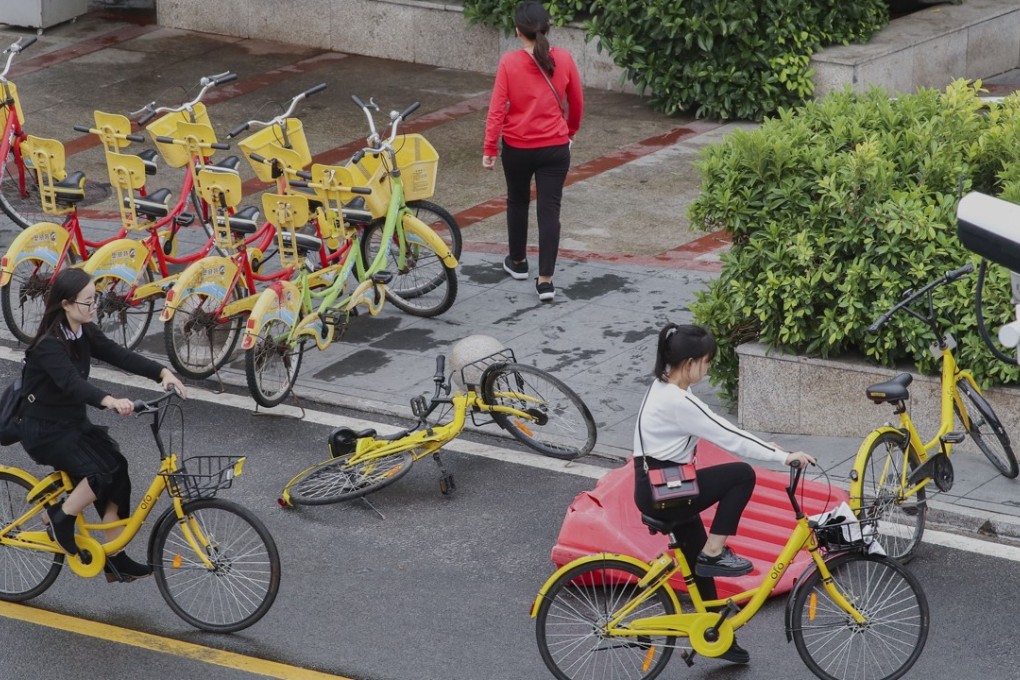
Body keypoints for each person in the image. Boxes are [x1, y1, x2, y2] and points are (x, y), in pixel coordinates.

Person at [633, 323, 815, 664]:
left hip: (661, 485)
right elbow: (727, 433)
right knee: (741, 475)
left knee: (701, 569)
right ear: (690, 363)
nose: (709, 368)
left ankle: (718, 635)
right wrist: (782, 455)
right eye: (707, 362)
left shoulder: (662, 386)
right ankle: (715, 551)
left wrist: (767, 446)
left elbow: (722, 431)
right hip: (667, 490)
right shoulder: (677, 400)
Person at [20, 268, 187, 583]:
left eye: (95, 299)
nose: (94, 307)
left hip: (71, 425)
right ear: (66, 304)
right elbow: (72, 386)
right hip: (44, 431)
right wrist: (109, 400)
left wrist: (162, 373)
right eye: (87, 302)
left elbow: (120, 355)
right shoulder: (49, 345)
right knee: (99, 472)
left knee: (118, 471)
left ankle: (115, 558)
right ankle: (61, 517)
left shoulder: (84, 331)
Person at [482, 0, 583, 302]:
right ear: (547, 28)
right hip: (555, 148)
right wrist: (570, 132)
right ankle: (546, 281)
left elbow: (497, 109)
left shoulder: (509, 63)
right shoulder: (563, 59)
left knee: (517, 200)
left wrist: (489, 146)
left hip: (517, 147)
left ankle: (517, 262)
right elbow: (576, 103)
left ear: (518, 31)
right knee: (549, 210)